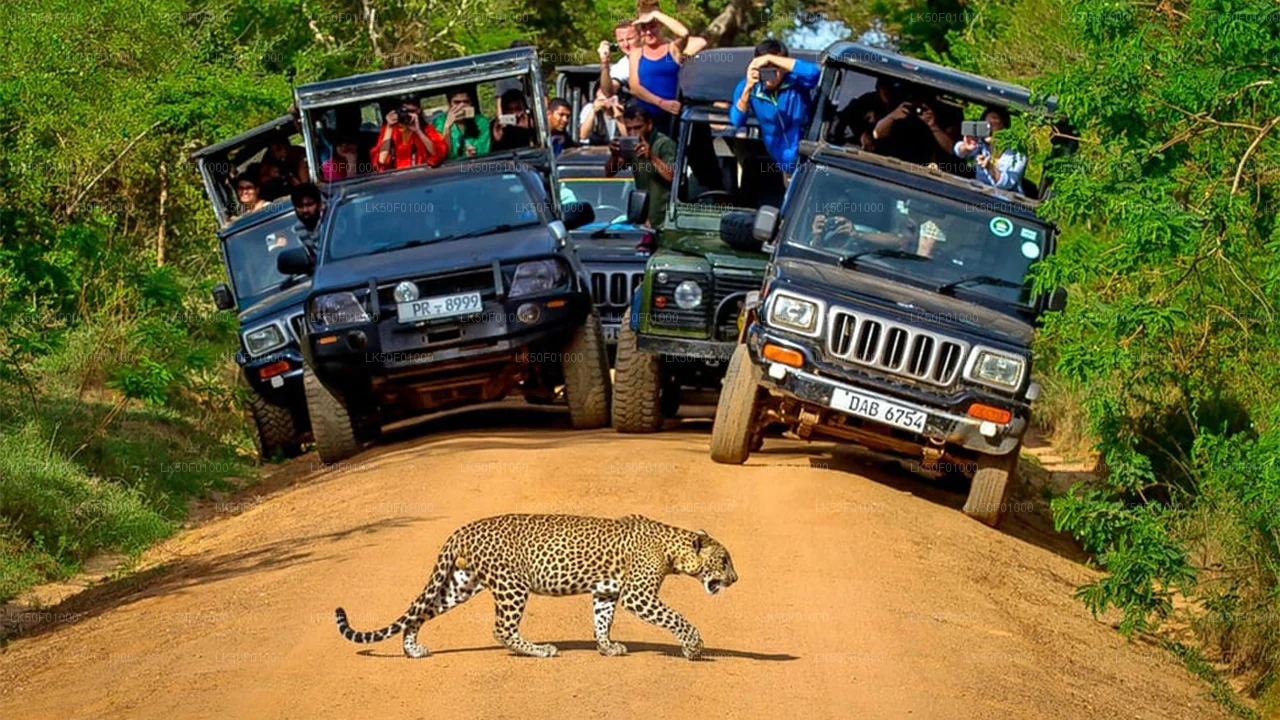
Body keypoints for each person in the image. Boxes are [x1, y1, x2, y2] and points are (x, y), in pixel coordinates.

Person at [729, 39, 820, 174]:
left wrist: (770, 58)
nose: (769, 73)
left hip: (806, 154)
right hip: (780, 159)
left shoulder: (796, 81)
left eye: (773, 67)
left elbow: (814, 73)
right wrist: (748, 87)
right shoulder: (748, 87)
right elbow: (737, 120)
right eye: (764, 67)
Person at [629, 5, 706, 135]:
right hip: (647, 119)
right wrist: (661, 103)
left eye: (652, 26)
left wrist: (657, 15)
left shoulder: (673, 48)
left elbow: (685, 33)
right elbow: (634, 87)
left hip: (672, 117)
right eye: (644, 28)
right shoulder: (636, 53)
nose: (648, 32)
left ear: (660, 26)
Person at [605, 102, 676, 229]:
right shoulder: (632, 146)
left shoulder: (664, 144)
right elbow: (609, 173)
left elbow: (671, 176)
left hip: (663, 218)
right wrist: (614, 155)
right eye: (629, 129)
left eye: (638, 128)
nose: (633, 134)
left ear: (649, 125)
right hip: (643, 216)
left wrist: (651, 157)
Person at [953, 106, 1027, 192]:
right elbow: (958, 151)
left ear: (1004, 129)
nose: (990, 129)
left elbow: (1007, 183)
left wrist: (989, 167)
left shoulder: (1017, 155)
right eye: (986, 125)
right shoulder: (981, 145)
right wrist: (966, 147)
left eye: (994, 124)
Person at [372, 97, 446, 172]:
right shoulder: (389, 130)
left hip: (422, 174)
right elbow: (381, 161)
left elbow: (438, 153)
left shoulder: (426, 129)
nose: (407, 115)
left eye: (411, 111)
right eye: (403, 112)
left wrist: (418, 131)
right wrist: (389, 128)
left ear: (418, 111)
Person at [432, 87, 491, 159]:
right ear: (450, 104)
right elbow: (442, 155)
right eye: (457, 102)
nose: (461, 106)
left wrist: (473, 154)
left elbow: (484, 151)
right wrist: (447, 127)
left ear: (471, 103)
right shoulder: (439, 122)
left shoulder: (481, 121)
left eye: (466, 102)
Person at [598, 20, 640, 97]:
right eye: (621, 41)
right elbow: (608, 92)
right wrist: (604, 62)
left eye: (630, 39)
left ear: (640, 37)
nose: (626, 44)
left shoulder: (658, 53)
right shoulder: (622, 66)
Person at [289, 182, 324, 254]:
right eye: (300, 206)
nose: (305, 210)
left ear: (319, 204)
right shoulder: (296, 231)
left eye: (309, 204)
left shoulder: (331, 222)